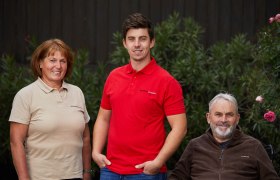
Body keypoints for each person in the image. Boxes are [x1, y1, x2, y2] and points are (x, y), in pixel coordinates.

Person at [92, 13, 187, 180]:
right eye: (131, 39)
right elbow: (103, 118)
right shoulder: (114, 76)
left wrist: (158, 162)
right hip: (110, 169)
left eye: (142, 39)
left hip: (145, 172)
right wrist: (96, 151)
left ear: (152, 42)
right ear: (124, 43)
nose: (137, 44)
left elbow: (180, 128)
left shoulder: (166, 82)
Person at [9, 39, 92, 180]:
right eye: (52, 60)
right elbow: (16, 142)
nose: (58, 66)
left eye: (63, 61)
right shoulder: (26, 95)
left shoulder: (77, 93)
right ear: (40, 63)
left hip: (75, 176)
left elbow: (85, 137)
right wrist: (24, 178)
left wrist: (87, 173)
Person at [169, 93, 280, 180]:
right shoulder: (195, 146)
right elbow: (176, 176)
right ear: (208, 117)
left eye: (229, 115)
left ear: (237, 118)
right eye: (218, 114)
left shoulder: (253, 146)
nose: (223, 120)